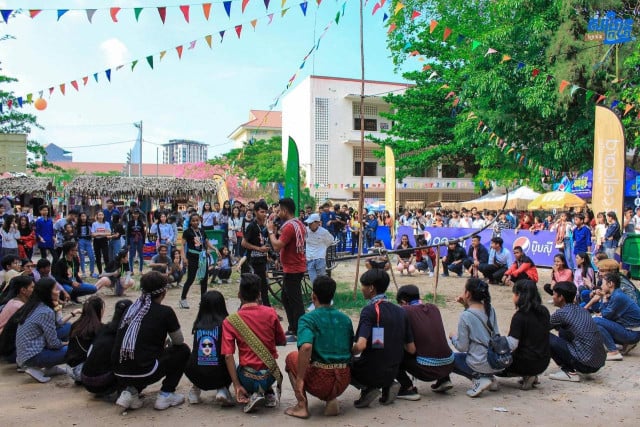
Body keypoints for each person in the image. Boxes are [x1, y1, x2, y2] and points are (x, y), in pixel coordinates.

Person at [113, 271, 190, 411]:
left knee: (141, 355)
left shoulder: (130, 309)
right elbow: (179, 341)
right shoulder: (165, 312)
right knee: (183, 350)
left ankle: (130, 391)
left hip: (119, 372)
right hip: (145, 371)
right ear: (164, 292)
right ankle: (166, 393)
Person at [284, 276, 354, 419]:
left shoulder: (307, 319)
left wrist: (300, 378)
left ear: (313, 295)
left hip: (321, 381)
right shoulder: (345, 319)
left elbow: (306, 347)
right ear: (332, 296)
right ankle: (331, 399)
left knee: (291, 358)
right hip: (344, 379)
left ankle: (302, 406)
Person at [222, 274, 287, 413]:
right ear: (259, 294)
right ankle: (267, 391)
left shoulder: (230, 321)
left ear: (239, 294)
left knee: (236, 365)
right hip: (270, 375)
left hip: (247, 378)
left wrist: (236, 385)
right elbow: (282, 340)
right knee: (267, 363)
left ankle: (253, 392)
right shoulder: (271, 313)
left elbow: (228, 355)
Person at [350, 269, 415, 408]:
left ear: (371, 288)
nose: (362, 289)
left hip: (371, 369)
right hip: (393, 369)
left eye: (363, 285)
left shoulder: (369, 311)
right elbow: (411, 348)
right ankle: (388, 383)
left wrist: (346, 353)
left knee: (344, 363)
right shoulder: (401, 311)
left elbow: (360, 346)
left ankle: (368, 388)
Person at [394, 285, 454, 400]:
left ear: (403, 302)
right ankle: (444, 379)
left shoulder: (404, 311)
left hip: (426, 370)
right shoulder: (434, 308)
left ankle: (407, 387)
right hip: (448, 364)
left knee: (393, 350)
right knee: (433, 342)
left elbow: (411, 349)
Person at [15, 278, 80, 383]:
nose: (58, 292)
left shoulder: (34, 304)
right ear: (47, 292)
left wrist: (59, 308)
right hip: (32, 356)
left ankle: (50, 367)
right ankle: (36, 367)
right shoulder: (45, 311)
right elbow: (53, 343)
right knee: (75, 349)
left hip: (24, 354)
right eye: (55, 289)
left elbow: (57, 324)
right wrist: (67, 343)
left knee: (66, 328)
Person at [450, 278, 502, 397]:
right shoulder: (490, 309)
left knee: (449, 358)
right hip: (494, 360)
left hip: (478, 362)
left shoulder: (465, 316)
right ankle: (489, 378)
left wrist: (453, 337)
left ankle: (479, 378)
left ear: (468, 294)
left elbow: (462, 347)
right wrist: (465, 305)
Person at [496, 280, 550, 390]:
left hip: (525, 362)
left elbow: (512, 344)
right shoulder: (544, 311)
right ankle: (531, 374)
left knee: (494, 364)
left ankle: (527, 374)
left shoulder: (520, 316)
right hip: (544, 361)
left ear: (519, 295)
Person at [548, 281, 606, 382]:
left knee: (544, 336)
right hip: (598, 362)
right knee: (562, 330)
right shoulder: (582, 310)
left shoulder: (561, 313)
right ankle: (571, 364)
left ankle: (569, 371)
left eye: (554, 294)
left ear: (561, 297)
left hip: (585, 363)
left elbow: (541, 328)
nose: (552, 297)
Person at [267, 198, 306, 342]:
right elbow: (288, 247)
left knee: (295, 301)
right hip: (294, 266)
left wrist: (271, 232)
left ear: (284, 210)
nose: (277, 213)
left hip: (293, 269)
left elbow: (277, 245)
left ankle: (299, 332)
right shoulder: (298, 223)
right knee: (286, 297)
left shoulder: (289, 227)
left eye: (279, 210)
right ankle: (293, 327)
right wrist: (280, 259)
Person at [185, 290, 234, 406]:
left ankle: (195, 391)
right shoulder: (225, 324)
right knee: (231, 363)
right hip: (219, 375)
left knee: (196, 357)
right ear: (222, 306)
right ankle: (222, 389)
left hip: (196, 374)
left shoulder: (198, 325)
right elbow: (228, 354)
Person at [81, 299, 132, 396]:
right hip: (101, 383)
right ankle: (124, 392)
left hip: (85, 378)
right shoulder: (124, 334)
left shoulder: (104, 328)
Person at [591, 272, 640, 361]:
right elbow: (606, 314)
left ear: (610, 284)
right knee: (597, 323)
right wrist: (604, 297)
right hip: (631, 331)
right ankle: (621, 346)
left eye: (603, 283)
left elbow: (605, 315)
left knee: (595, 321)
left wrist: (604, 298)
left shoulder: (618, 296)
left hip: (632, 334)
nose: (601, 286)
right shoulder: (616, 294)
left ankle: (613, 351)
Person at [180, 213, 217, 309]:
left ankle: (203, 300)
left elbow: (207, 242)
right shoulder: (187, 232)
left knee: (204, 279)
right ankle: (183, 299)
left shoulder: (202, 230)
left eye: (197, 220)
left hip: (202, 257)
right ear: (190, 222)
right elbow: (182, 246)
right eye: (193, 220)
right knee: (190, 279)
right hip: (192, 257)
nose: (195, 222)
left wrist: (215, 249)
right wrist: (184, 258)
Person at [65, 296, 105, 382]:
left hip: (70, 369)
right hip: (83, 371)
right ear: (99, 310)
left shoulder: (75, 325)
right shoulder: (99, 328)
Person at [242, 200, 272, 306]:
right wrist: (259, 249)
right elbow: (243, 243)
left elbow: (265, 243)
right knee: (261, 287)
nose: (264, 214)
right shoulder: (252, 226)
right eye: (261, 212)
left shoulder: (265, 226)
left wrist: (271, 254)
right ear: (255, 212)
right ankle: (268, 310)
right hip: (254, 261)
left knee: (259, 287)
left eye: (265, 212)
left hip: (262, 260)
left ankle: (245, 309)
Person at [304, 213, 335, 285]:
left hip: (320, 259)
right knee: (313, 281)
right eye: (308, 223)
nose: (309, 225)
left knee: (321, 281)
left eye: (311, 223)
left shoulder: (324, 232)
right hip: (309, 259)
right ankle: (315, 294)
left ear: (318, 223)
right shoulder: (305, 230)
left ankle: (322, 295)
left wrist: (322, 248)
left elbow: (330, 241)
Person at [76, 212, 96, 278]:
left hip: (88, 241)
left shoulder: (90, 224)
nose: (83, 217)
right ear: (80, 217)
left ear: (86, 217)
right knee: (82, 257)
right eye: (82, 216)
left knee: (92, 257)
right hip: (80, 241)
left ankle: (92, 272)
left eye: (84, 216)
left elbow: (93, 232)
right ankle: (83, 272)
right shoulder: (77, 225)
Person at [91, 211, 111, 276]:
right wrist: (103, 233)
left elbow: (109, 233)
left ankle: (107, 272)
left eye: (102, 215)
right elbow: (93, 234)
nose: (100, 216)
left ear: (103, 216)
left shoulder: (106, 223)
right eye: (99, 215)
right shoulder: (94, 224)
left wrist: (99, 233)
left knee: (106, 256)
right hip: (96, 241)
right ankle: (100, 273)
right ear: (97, 216)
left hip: (104, 241)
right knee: (98, 257)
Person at [126, 209, 146, 274]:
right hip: (132, 238)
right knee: (131, 255)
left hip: (140, 238)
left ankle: (140, 270)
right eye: (134, 214)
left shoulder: (141, 222)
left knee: (141, 255)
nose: (136, 215)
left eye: (137, 214)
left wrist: (143, 242)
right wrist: (128, 243)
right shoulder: (130, 222)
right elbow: (128, 233)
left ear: (138, 214)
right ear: (132, 214)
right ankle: (131, 270)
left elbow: (143, 232)